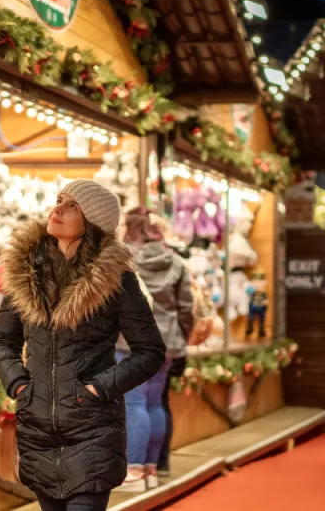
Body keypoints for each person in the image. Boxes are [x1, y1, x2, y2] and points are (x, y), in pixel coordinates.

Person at [0, 180, 166, 511]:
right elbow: (3, 338)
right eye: (59, 200)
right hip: (38, 431)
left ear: (93, 222)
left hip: (93, 430)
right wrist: (17, 384)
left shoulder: (115, 279)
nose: (58, 208)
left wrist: (100, 388)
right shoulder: (25, 274)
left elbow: (150, 350)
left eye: (72, 205)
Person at [119, 207, 194, 490]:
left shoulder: (123, 259)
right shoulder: (174, 261)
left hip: (131, 342)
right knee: (153, 403)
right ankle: (151, 469)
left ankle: (135, 472)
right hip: (167, 343)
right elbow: (186, 308)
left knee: (134, 403)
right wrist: (178, 337)